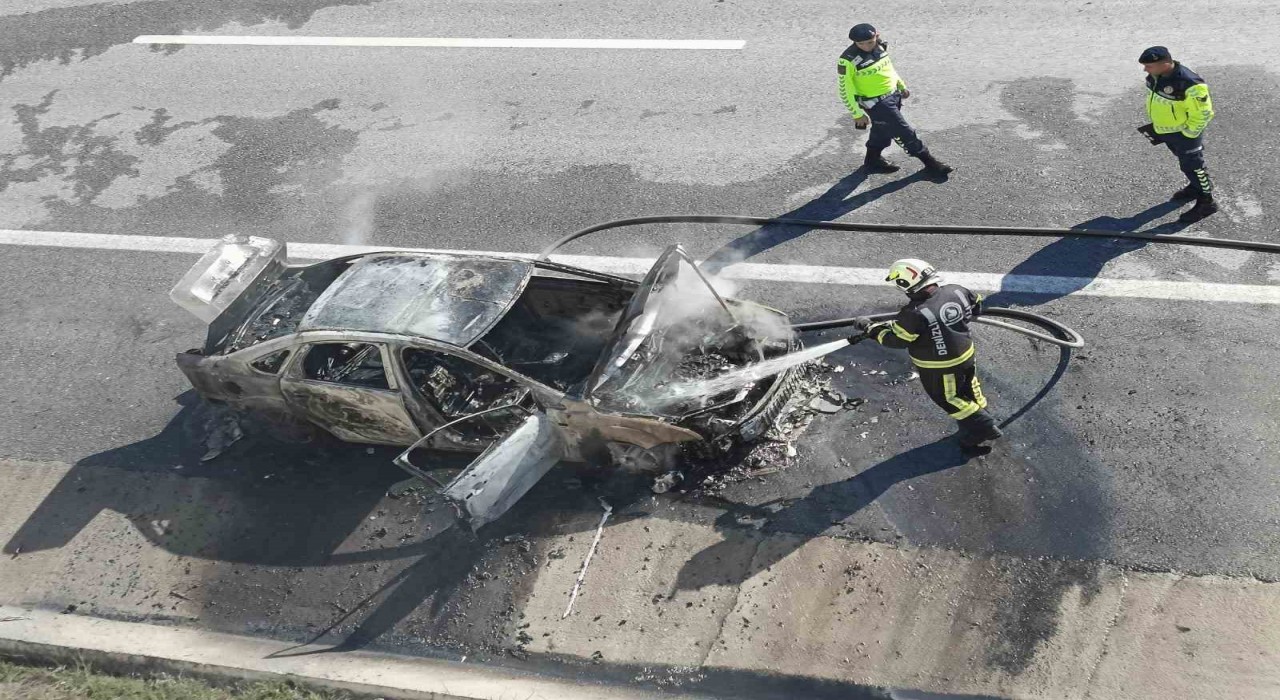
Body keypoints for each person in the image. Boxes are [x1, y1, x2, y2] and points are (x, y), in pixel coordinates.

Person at [850, 259, 1002, 449]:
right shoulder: (956, 290)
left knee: (948, 398)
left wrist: (870, 329)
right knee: (971, 387)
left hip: (939, 366)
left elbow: (895, 340)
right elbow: (976, 305)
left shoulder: (914, 313)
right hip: (966, 354)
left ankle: (983, 425)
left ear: (905, 284)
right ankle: (979, 418)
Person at [837, 23, 952, 176]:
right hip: (877, 104)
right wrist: (857, 114)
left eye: (870, 42)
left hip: (893, 95)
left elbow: (888, 69)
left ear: (876, 36)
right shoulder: (848, 60)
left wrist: (901, 85)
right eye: (860, 44)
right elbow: (845, 90)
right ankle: (930, 164)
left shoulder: (880, 46)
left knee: (882, 129)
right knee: (905, 132)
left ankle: (872, 160)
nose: (866, 46)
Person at [1139, 46, 1217, 223]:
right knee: (1187, 164)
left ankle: (1207, 201)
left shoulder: (1190, 84)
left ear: (1165, 64)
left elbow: (1204, 113)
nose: (1145, 70)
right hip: (1167, 130)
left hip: (1184, 134)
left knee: (1194, 166)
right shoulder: (1157, 76)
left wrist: (1189, 135)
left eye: (1149, 66)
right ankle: (1195, 186)